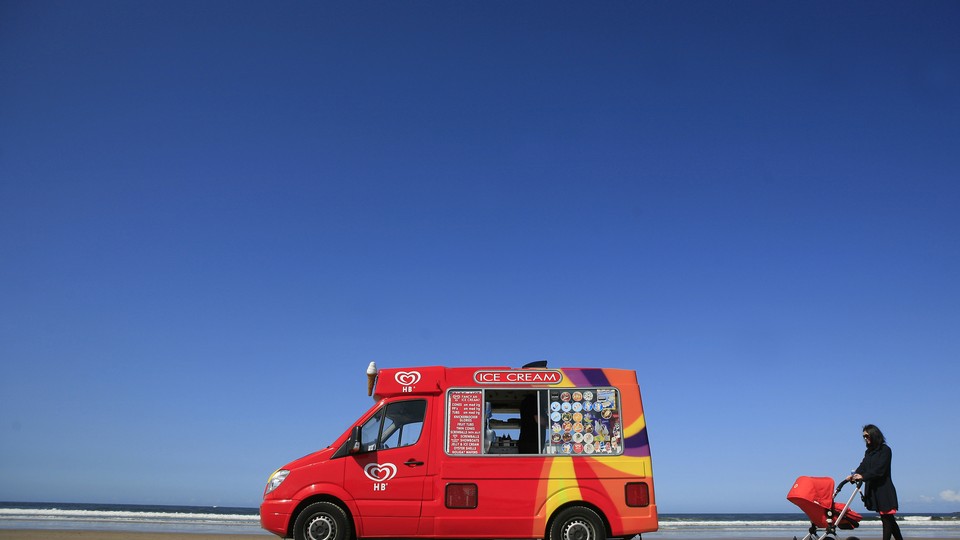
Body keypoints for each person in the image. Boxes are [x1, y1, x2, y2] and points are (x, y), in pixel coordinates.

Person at [847, 424, 903, 540]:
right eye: (864, 437)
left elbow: (880, 470)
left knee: (887, 520)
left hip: (884, 490)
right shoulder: (869, 452)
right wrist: (853, 476)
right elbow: (863, 466)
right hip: (873, 490)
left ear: (874, 434)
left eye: (867, 436)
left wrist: (862, 476)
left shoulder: (885, 450)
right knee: (889, 520)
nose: (865, 438)